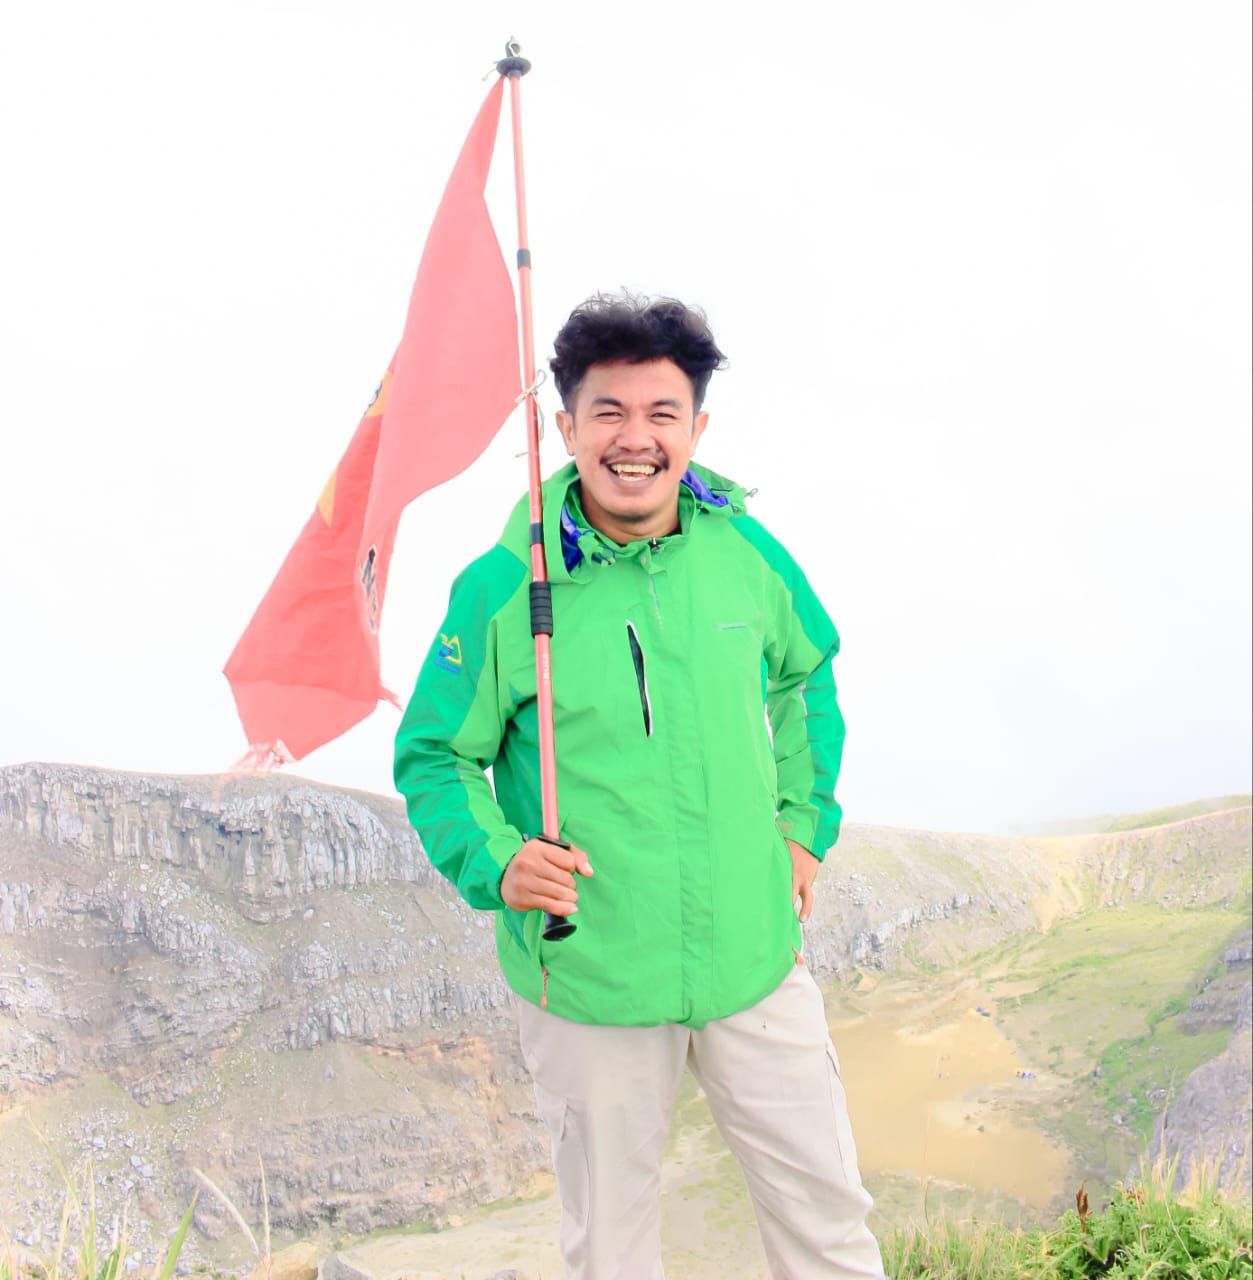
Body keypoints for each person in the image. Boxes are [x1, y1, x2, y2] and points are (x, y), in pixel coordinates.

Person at [394, 294, 884, 1279]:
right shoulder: (504, 583)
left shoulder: (746, 553)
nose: (634, 439)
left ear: (696, 428)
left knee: (827, 1222)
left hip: (752, 955)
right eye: (607, 411)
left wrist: (802, 826)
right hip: (590, 973)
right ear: (563, 425)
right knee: (611, 1253)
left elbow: (806, 678)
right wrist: (498, 861)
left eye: (662, 413)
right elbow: (433, 753)